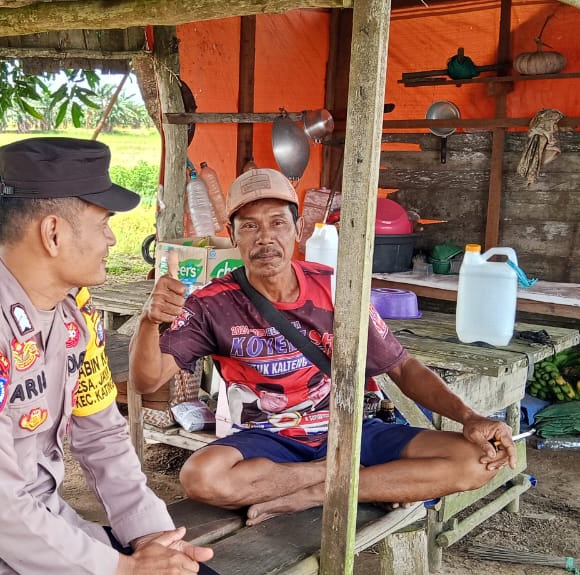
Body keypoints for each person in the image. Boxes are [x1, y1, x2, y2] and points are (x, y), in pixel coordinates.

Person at [0, 137, 214, 575]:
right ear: (53, 234)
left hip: (50, 535)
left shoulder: (72, 318)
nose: (112, 239)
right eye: (103, 223)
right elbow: (1, 511)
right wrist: (125, 569)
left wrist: (150, 535)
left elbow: (103, 438)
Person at [128, 168, 515, 525]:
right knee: (201, 477)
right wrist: (148, 321)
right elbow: (146, 383)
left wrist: (469, 417)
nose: (265, 237)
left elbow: (402, 367)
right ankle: (350, 478)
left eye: (278, 222)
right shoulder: (212, 303)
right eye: (249, 226)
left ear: (297, 231)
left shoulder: (334, 287)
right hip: (269, 439)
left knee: (477, 461)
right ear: (233, 236)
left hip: (349, 428)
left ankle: (315, 493)